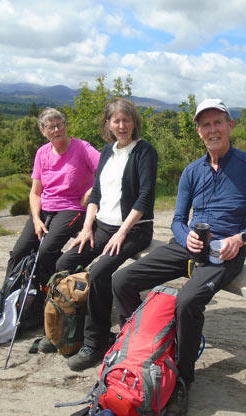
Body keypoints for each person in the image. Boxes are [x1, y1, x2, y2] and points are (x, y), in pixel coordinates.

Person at [111, 98, 246, 416]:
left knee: (186, 301)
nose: (212, 129)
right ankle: (138, 353)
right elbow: (176, 219)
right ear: (199, 131)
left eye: (217, 122)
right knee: (121, 280)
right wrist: (185, 233)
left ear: (230, 125)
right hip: (189, 245)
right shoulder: (192, 170)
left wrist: (240, 238)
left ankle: (182, 380)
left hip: (225, 251)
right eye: (205, 124)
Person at [42, 98, 158, 370]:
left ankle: (97, 340)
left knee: (100, 272)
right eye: (116, 120)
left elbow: (144, 197)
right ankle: (68, 326)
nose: (121, 125)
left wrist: (122, 233)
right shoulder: (107, 151)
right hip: (102, 226)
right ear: (108, 123)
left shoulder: (144, 151)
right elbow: (95, 194)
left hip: (134, 229)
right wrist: (86, 228)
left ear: (134, 122)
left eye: (126, 120)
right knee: (64, 263)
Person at [4, 107, 100, 294]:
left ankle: (45, 295)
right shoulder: (42, 153)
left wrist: (90, 192)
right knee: (18, 253)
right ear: (43, 131)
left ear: (65, 126)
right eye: (51, 127)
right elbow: (35, 193)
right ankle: (8, 296)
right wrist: (36, 220)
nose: (56, 130)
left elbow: (107, 170)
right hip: (44, 209)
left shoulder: (82, 147)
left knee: (46, 251)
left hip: (72, 208)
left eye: (60, 125)